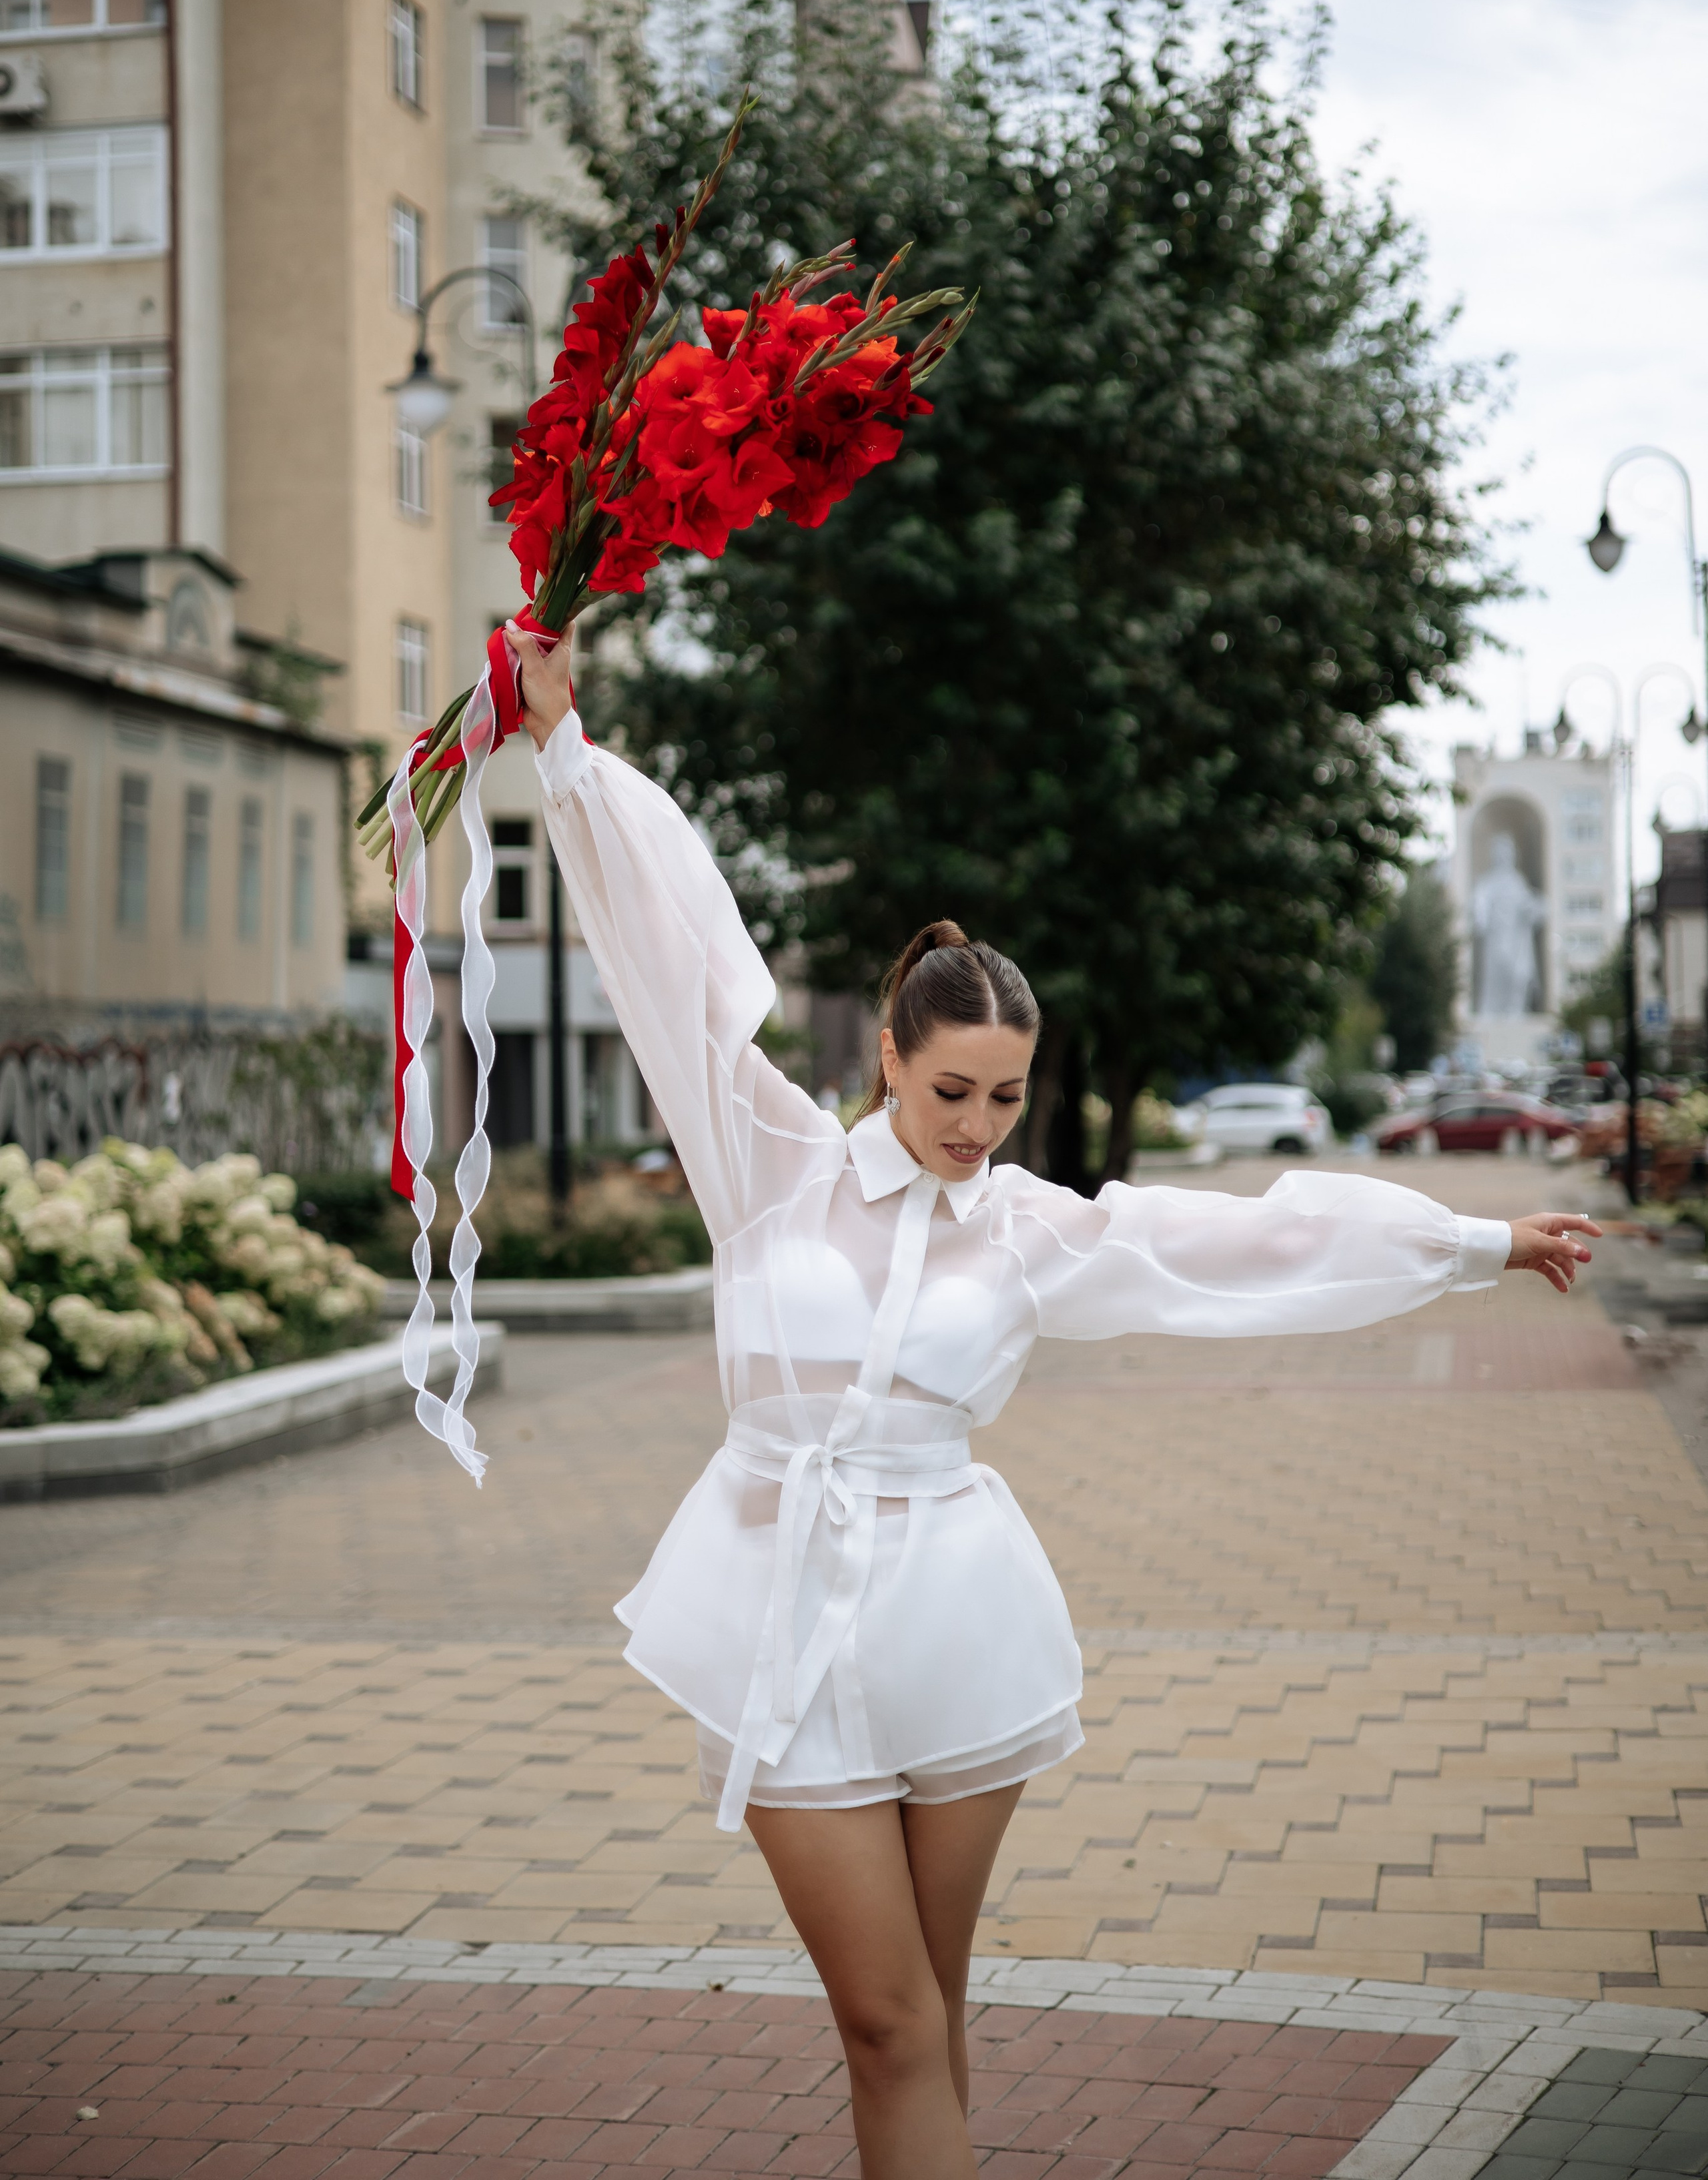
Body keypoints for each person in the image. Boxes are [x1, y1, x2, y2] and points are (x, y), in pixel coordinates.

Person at [505, 621, 1599, 2180]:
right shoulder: (765, 1165)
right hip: (779, 1616)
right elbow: (669, 971)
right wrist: (568, 757)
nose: (976, 1124)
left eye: (1004, 1096)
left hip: (950, 1621)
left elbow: (1248, 1239)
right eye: (949, 1089)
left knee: (934, 2012)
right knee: (882, 2021)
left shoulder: (1027, 1233)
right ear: (886, 1057)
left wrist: (1475, 1241)